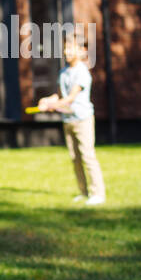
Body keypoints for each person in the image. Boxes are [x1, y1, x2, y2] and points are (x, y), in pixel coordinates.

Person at [35, 37, 106, 206]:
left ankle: (98, 194)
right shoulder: (64, 72)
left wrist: (52, 105)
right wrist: (46, 101)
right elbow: (60, 96)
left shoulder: (82, 72)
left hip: (83, 120)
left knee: (88, 156)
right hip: (68, 120)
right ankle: (84, 192)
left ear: (81, 51)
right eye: (66, 48)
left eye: (71, 49)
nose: (66, 52)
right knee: (75, 158)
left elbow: (71, 98)